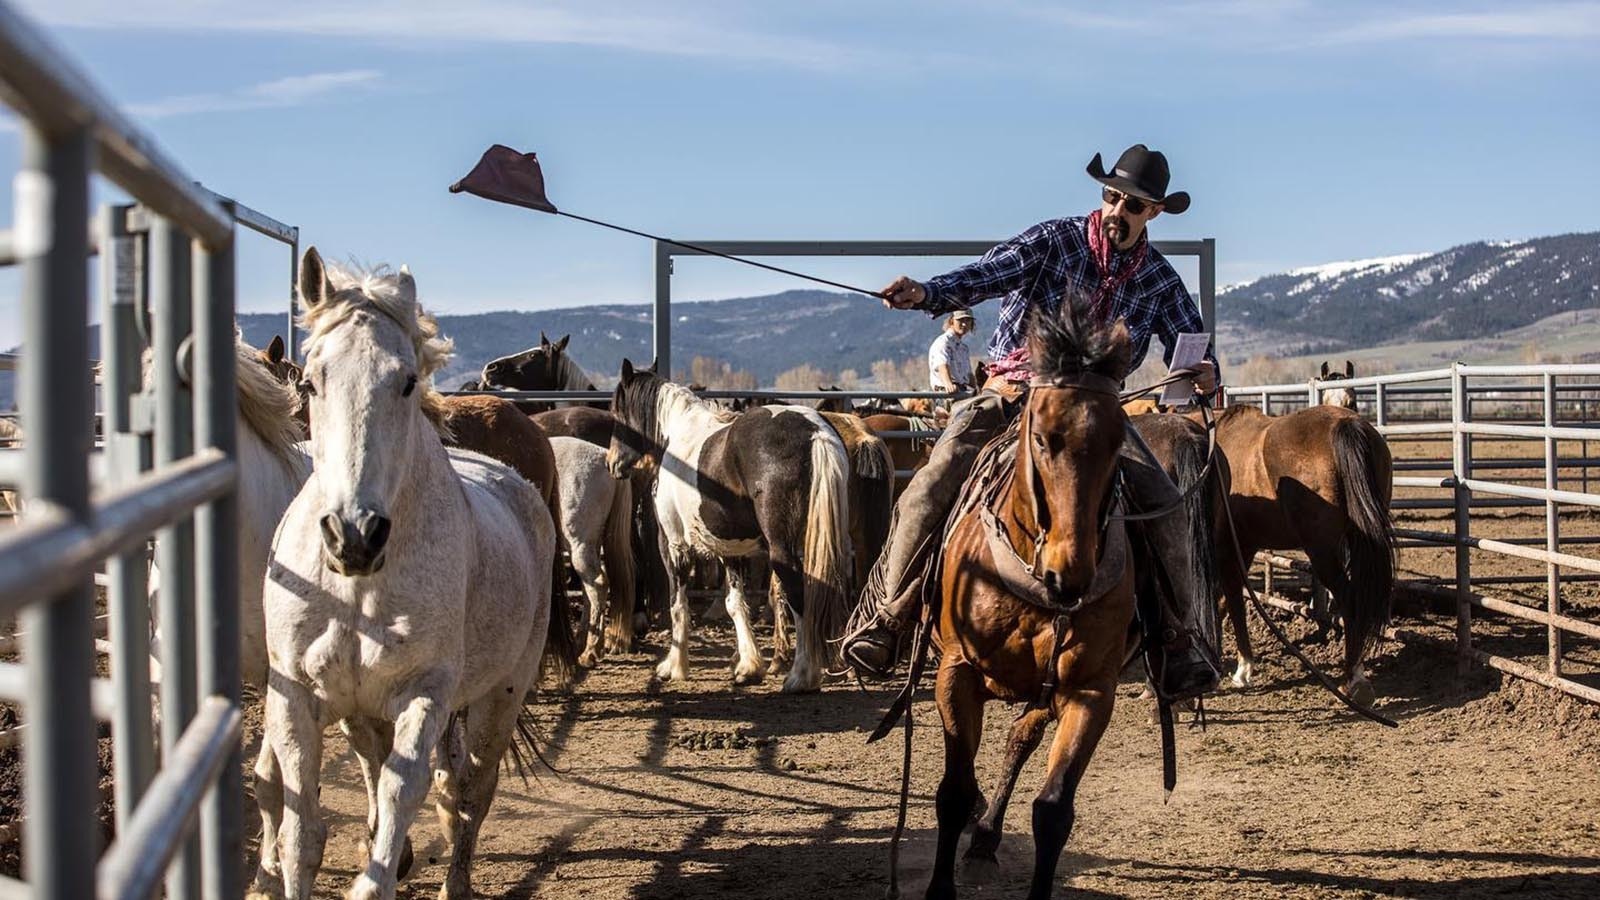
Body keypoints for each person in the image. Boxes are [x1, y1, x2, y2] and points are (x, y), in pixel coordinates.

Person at [841, 144, 1224, 703]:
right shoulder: (1053, 240)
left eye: (1134, 204)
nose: (1118, 209)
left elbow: (1192, 347)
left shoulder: (1160, 281)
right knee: (930, 483)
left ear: (1154, 213)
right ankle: (890, 618)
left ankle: (1177, 639)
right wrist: (928, 292)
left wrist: (1208, 373)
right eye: (1112, 196)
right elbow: (987, 274)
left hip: (1096, 414)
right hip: (1014, 392)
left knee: (1166, 500)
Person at [928, 309, 976, 394]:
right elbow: (942, 365)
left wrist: (978, 388)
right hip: (945, 392)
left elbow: (968, 374)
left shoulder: (963, 348)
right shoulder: (944, 342)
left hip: (962, 390)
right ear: (951, 321)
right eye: (960, 320)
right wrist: (948, 384)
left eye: (968, 320)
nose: (964, 324)